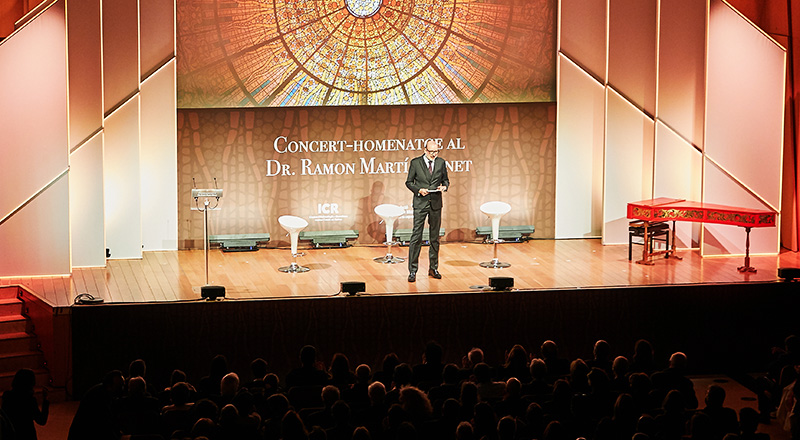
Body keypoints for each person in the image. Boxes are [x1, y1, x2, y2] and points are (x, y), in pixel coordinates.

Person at [405, 139, 450, 282]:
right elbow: (409, 182)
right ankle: (413, 271)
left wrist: (444, 186)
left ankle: (433, 268)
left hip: (436, 203)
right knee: (416, 237)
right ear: (425, 150)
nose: (433, 154)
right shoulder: (415, 162)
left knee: (434, 238)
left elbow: (446, 180)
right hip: (420, 203)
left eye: (436, 151)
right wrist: (419, 190)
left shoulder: (441, 162)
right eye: (431, 152)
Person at [1, 368, 49, 440]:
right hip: (27, 435)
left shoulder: (7, 396)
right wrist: (45, 400)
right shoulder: (30, 401)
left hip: (11, 435)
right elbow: (42, 421)